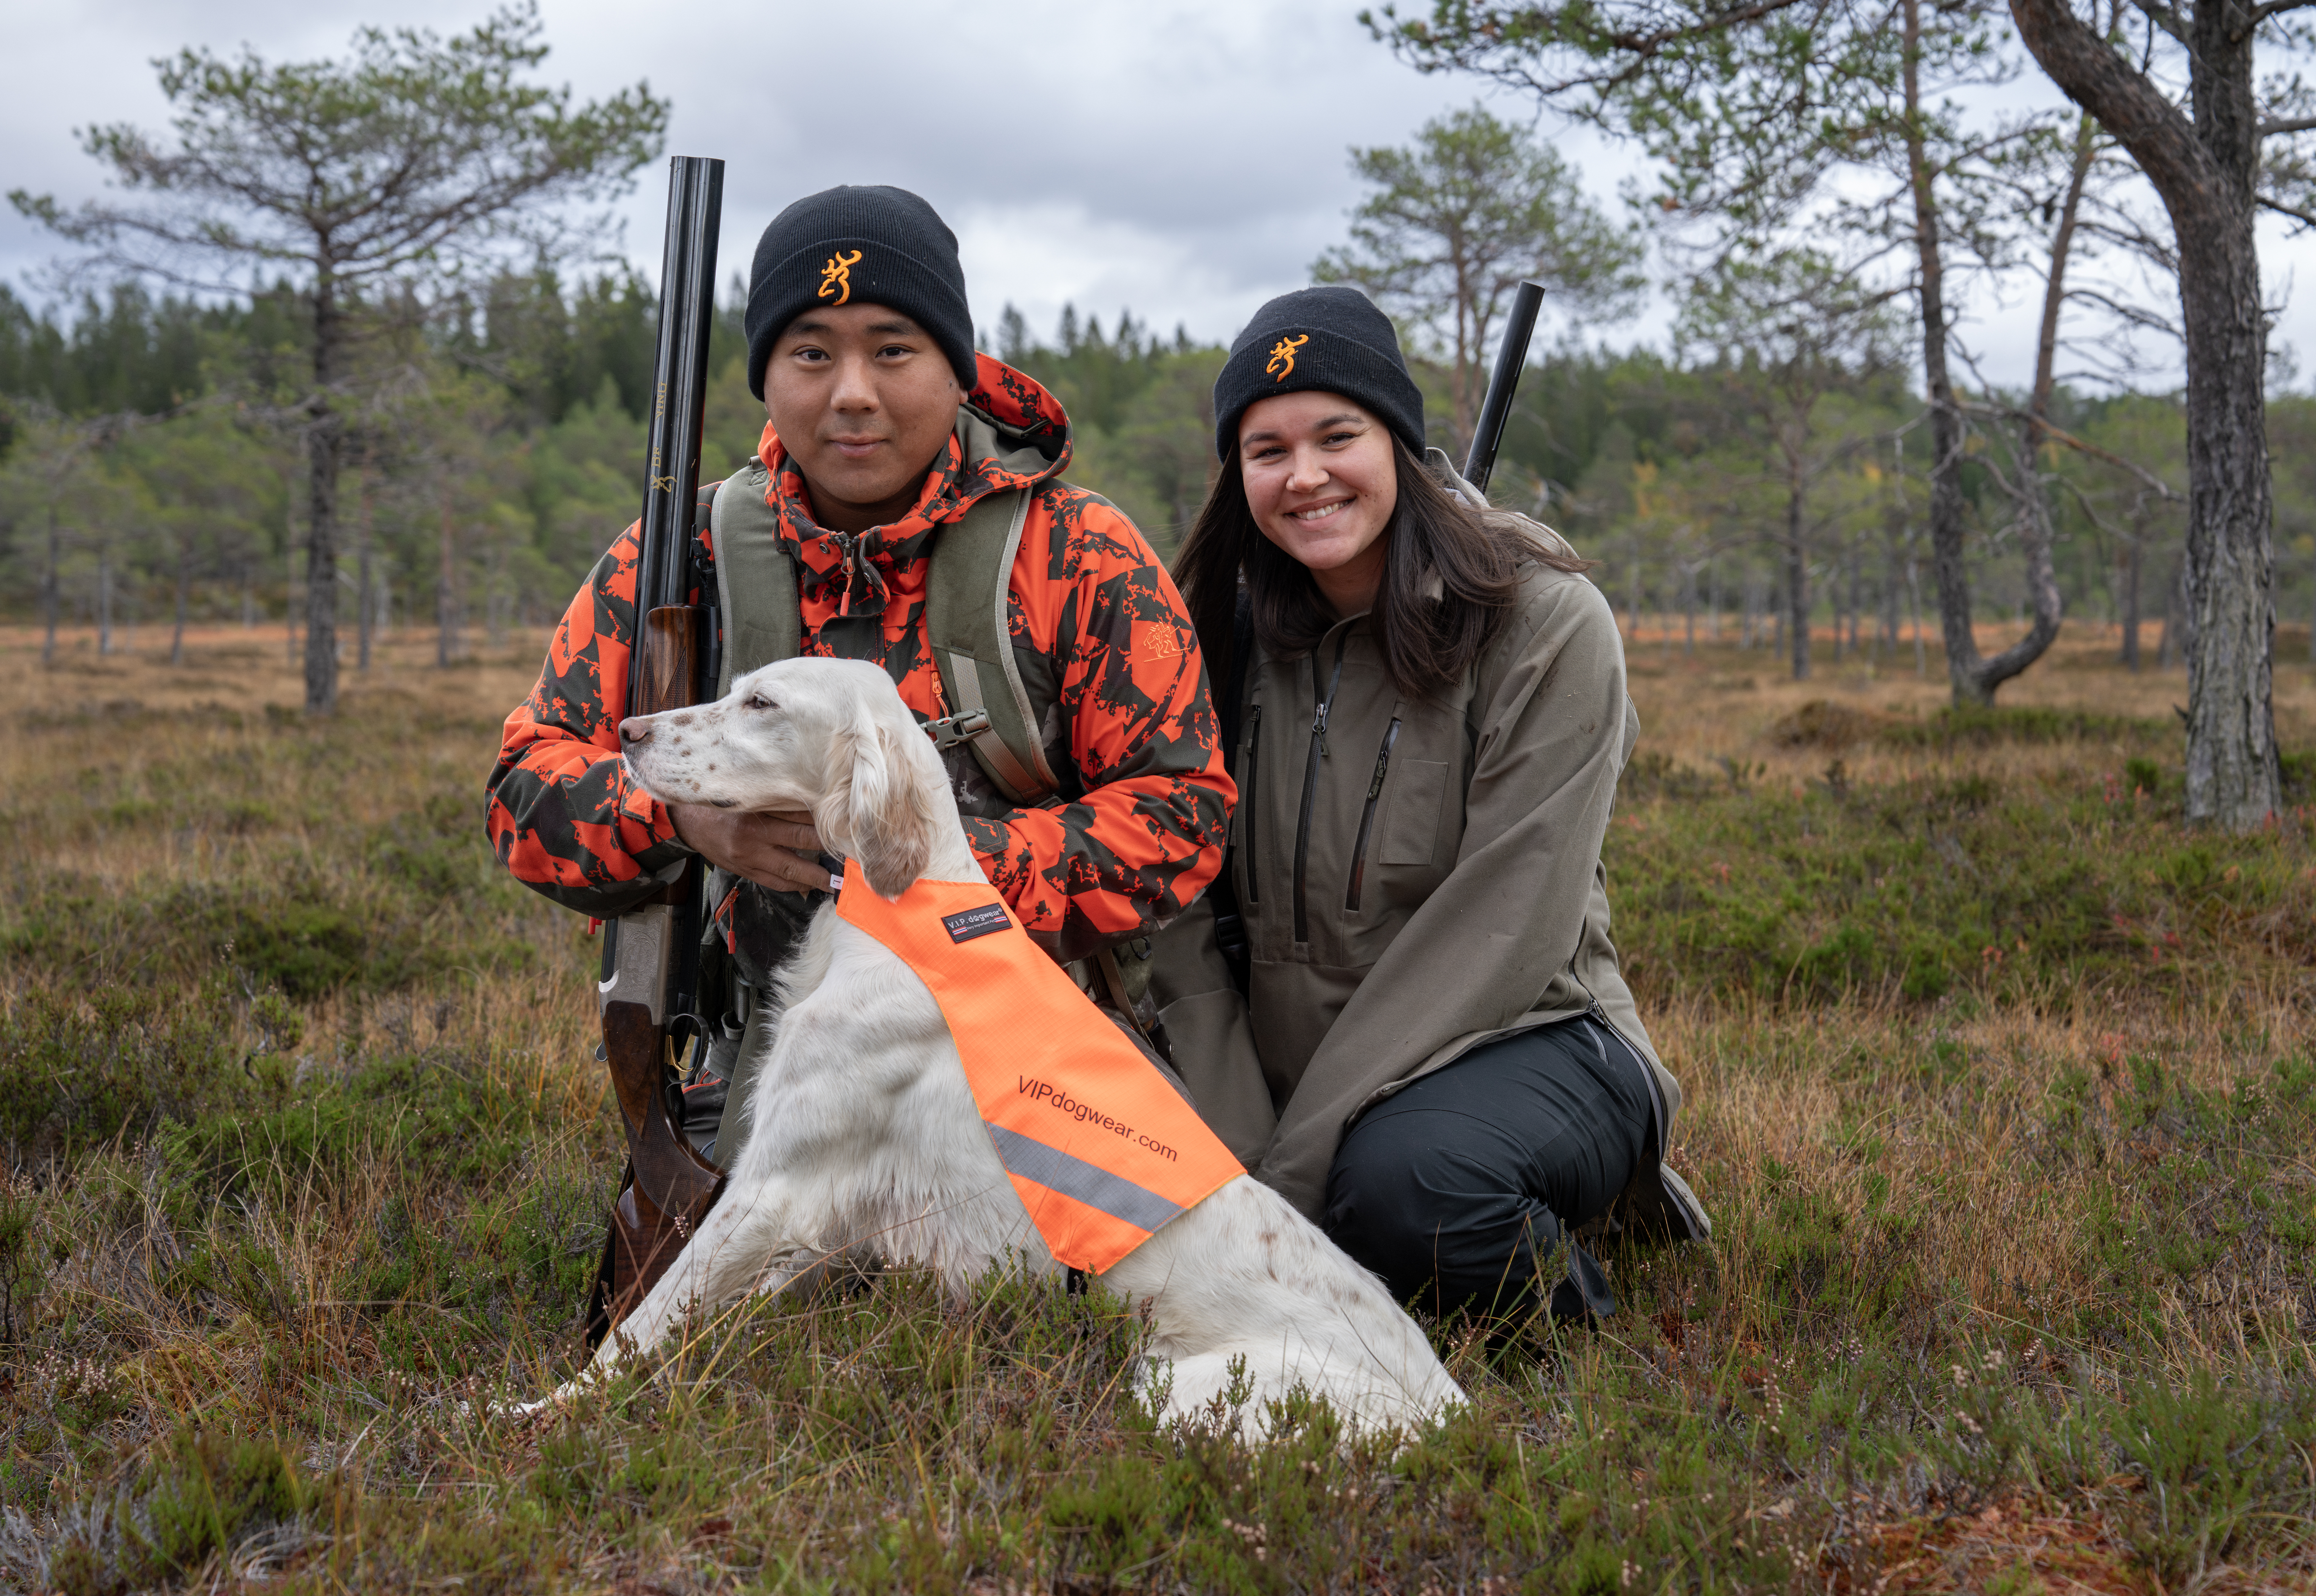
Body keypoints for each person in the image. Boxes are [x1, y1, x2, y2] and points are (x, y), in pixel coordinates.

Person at [488, 185, 1232, 1195]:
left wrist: (929, 861)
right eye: (810, 353)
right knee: (725, 1311)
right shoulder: (676, 559)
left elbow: (1183, 814)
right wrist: (687, 823)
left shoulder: (1080, 555)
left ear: (955, 368)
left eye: (892, 349)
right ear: (766, 378)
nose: (851, 392)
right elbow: (523, 793)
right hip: (763, 1051)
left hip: (1025, 1047)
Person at [1149, 286, 1708, 1323]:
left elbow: (1506, 925)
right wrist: (1232, 1150)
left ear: (1398, 443)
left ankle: (1572, 1349)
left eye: (1336, 436)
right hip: (1276, 1078)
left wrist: (1287, 1181)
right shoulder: (1210, 641)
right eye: (1265, 450)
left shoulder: (1543, 622)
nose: (1304, 475)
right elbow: (1174, 911)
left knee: (1411, 1189)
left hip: (1520, 1035)